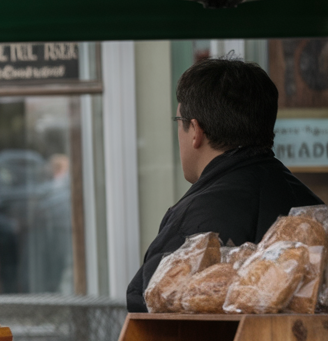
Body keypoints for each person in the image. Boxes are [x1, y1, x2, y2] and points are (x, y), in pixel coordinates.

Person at [126, 57, 322, 312]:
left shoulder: (193, 223)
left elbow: (151, 312)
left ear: (195, 131)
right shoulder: (312, 210)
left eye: (178, 122)